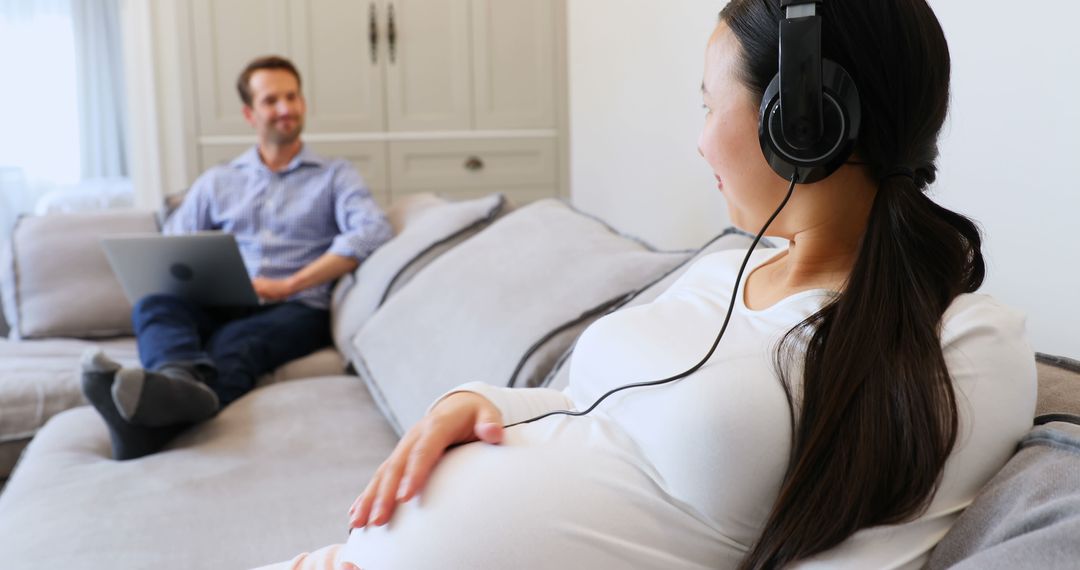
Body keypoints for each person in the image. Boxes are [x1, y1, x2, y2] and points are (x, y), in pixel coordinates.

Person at [263, 1, 1035, 568]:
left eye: (708, 103)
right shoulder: (724, 266)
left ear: (802, 121)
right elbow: (596, 407)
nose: (698, 140)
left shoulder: (963, 340)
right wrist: (486, 403)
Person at [81, 56, 393, 461]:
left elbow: (373, 231)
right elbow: (172, 246)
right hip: (223, 301)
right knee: (155, 304)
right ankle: (176, 380)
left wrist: (290, 284)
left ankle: (145, 429)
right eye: (271, 100)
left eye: (292, 97)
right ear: (249, 113)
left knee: (235, 345)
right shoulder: (219, 180)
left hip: (295, 306)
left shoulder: (335, 176)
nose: (285, 109)